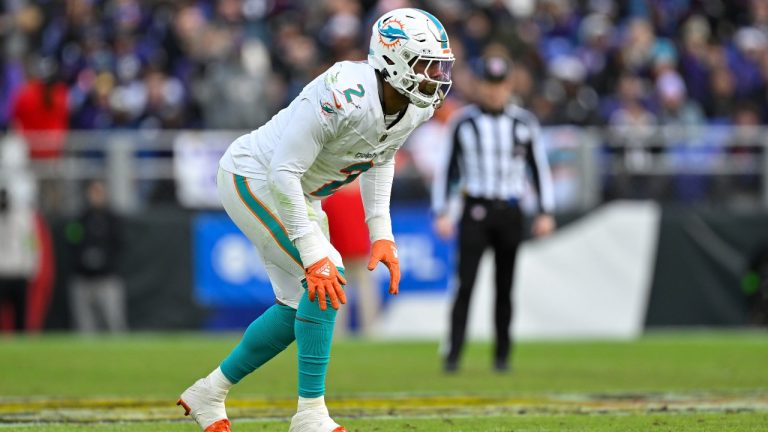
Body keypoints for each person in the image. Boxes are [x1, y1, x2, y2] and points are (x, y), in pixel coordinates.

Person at [178, 8, 454, 432]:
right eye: (424, 64)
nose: (435, 76)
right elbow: (282, 172)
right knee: (327, 277)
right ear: (393, 60)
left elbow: (381, 157)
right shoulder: (342, 92)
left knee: (302, 304)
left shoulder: (415, 107)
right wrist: (312, 253)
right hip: (254, 177)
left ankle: (209, 392)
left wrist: (381, 232)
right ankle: (310, 415)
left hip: (299, 192)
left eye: (439, 66)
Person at [432, 55, 555, 374]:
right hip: (475, 209)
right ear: (479, 85)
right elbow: (447, 168)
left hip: (510, 210)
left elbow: (538, 168)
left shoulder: (524, 123)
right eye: (489, 84)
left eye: (499, 84)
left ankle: (502, 356)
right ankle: (453, 354)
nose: (494, 91)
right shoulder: (463, 122)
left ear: (509, 86)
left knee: (505, 288)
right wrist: (441, 211)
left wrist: (545, 211)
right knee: (465, 285)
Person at [66, 180, 127, 333]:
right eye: (93, 192)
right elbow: (71, 241)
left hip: (107, 279)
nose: (96, 196)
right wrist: (82, 260)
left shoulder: (113, 219)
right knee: (85, 326)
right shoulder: (80, 219)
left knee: (114, 322)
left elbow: (120, 245)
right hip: (83, 279)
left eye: (99, 192)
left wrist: (106, 261)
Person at [321, 179, 379, 338]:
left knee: (338, 296)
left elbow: (326, 226)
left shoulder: (331, 198)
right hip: (361, 253)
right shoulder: (364, 197)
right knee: (366, 293)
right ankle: (370, 330)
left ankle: (338, 332)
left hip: (340, 254)